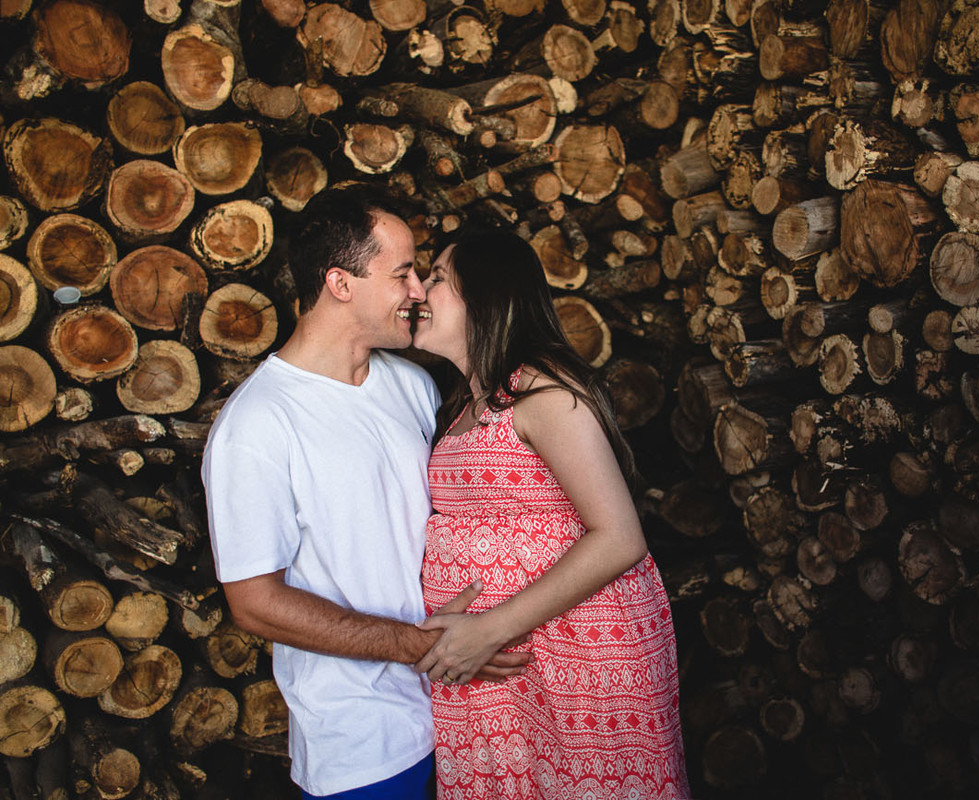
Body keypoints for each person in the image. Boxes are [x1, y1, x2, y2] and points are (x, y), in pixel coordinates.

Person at [201, 187, 530, 800]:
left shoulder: (411, 385)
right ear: (340, 283)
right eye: (403, 273)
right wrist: (421, 645)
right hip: (363, 742)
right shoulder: (256, 425)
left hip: (470, 715)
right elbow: (254, 604)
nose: (417, 292)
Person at [411, 230, 691, 799]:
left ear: (487, 296)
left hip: (574, 654)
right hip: (493, 667)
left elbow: (619, 537)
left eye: (437, 277)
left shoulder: (543, 392)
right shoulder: (465, 405)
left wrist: (489, 630)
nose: (419, 291)